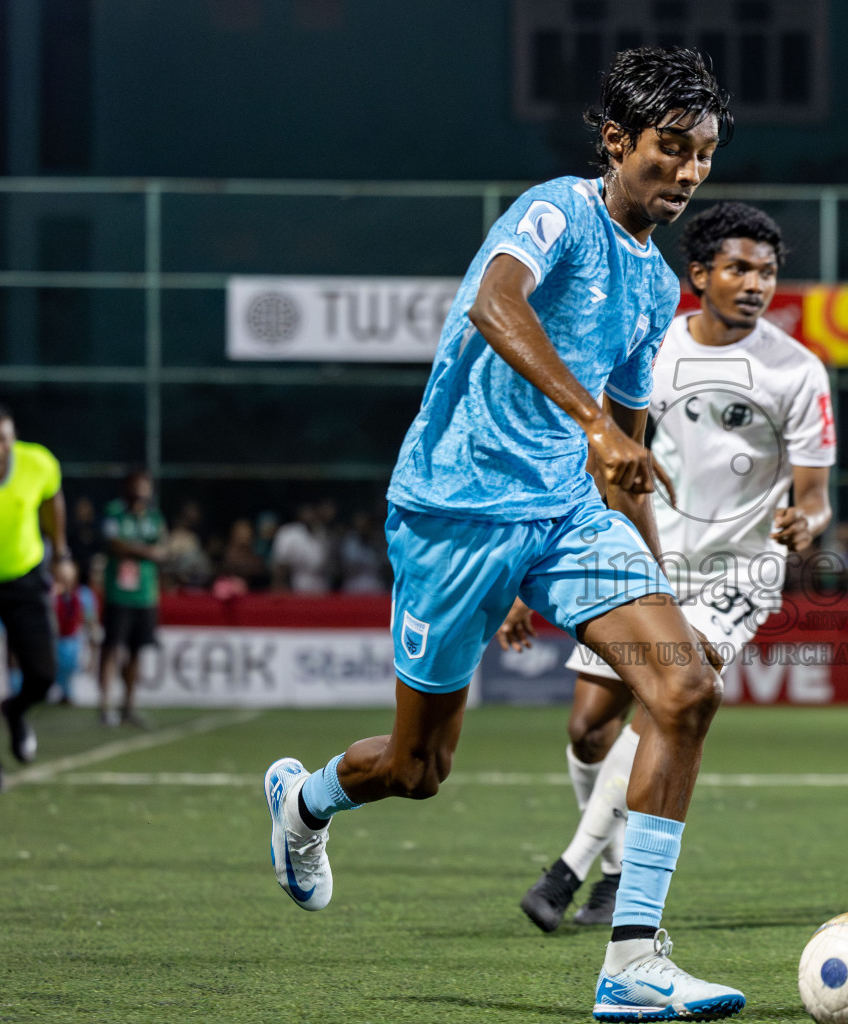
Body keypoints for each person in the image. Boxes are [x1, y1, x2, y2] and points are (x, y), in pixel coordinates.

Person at [261, 48, 748, 1021]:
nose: (690, 173)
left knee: (684, 684)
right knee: (417, 768)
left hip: (568, 515)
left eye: (703, 154)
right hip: (455, 511)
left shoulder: (656, 287)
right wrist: (595, 425)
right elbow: (496, 304)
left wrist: (655, 576)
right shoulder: (558, 209)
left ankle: (634, 961)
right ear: (617, 141)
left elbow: (629, 448)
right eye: (671, 149)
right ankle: (305, 804)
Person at [510, 201, 835, 932]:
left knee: (669, 700)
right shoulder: (653, 350)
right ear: (700, 274)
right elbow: (605, 460)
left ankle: (568, 870)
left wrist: (801, 523)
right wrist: (537, 569)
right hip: (645, 554)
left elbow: (815, 498)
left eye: (769, 272)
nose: (756, 283)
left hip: (739, 573)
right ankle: (619, 870)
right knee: (589, 731)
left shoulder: (799, 372)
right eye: (740, 268)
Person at [0, 404, 67, 791]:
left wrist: (62, 554)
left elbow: (52, 499)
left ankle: (16, 709)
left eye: (3, 437)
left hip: (25, 576)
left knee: (43, 675)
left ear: (13, 437)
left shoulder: (37, 462)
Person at [98, 469, 166, 729]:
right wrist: (145, 551)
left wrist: (139, 550)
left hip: (146, 595)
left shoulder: (153, 517)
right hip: (118, 592)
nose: (141, 491)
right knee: (112, 648)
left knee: (137, 651)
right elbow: (113, 544)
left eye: (145, 486)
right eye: (137, 485)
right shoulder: (114, 512)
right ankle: (105, 705)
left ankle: (128, 705)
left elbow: (163, 548)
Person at [50, 558, 98, 705]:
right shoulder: (49, 591)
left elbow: (90, 621)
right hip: (51, 640)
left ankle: (66, 692)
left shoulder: (84, 594)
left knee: (68, 662)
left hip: (72, 641)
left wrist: (93, 651)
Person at [271, 503, 331, 594]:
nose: (310, 516)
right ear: (300, 514)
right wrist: (279, 585)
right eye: (307, 512)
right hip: (298, 584)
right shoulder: (289, 533)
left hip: (321, 585)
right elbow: (281, 564)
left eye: (313, 512)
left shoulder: (322, 532)